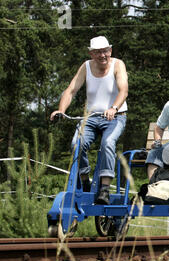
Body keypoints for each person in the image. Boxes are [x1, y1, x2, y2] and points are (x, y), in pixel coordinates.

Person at [50, 36, 128, 205]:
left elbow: (124, 91)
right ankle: (85, 181)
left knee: (107, 143)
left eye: (105, 51)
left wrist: (113, 108)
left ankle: (105, 188)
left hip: (116, 117)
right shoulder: (86, 67)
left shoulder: (118, 65)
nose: (103, 55)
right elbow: (71, 90)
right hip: (91, 117)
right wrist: (61, 110)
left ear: (110, 51)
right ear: (91, 54)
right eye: (98, 52)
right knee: (76, 143)